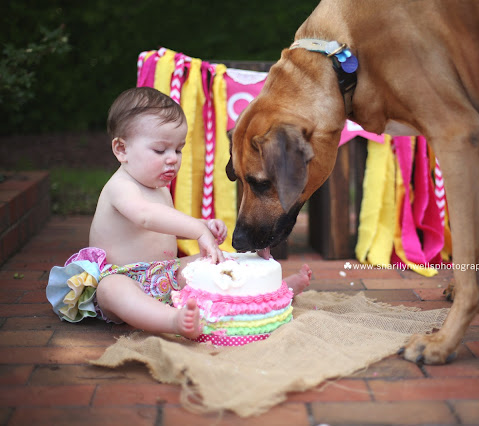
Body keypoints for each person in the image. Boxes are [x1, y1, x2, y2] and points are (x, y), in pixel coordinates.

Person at [46, 87, 311, 339]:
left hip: (168, 274)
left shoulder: (159, 188)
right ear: (122, 149)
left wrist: (203, 225)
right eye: (160, 150)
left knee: (218, 262)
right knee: (111, 290)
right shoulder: (120, 187)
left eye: (178, 149)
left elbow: (165, 224)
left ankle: (273, 290)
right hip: (125, 277)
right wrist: (197, 229)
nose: (173, 158)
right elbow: (146, 217)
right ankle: (173, 321)